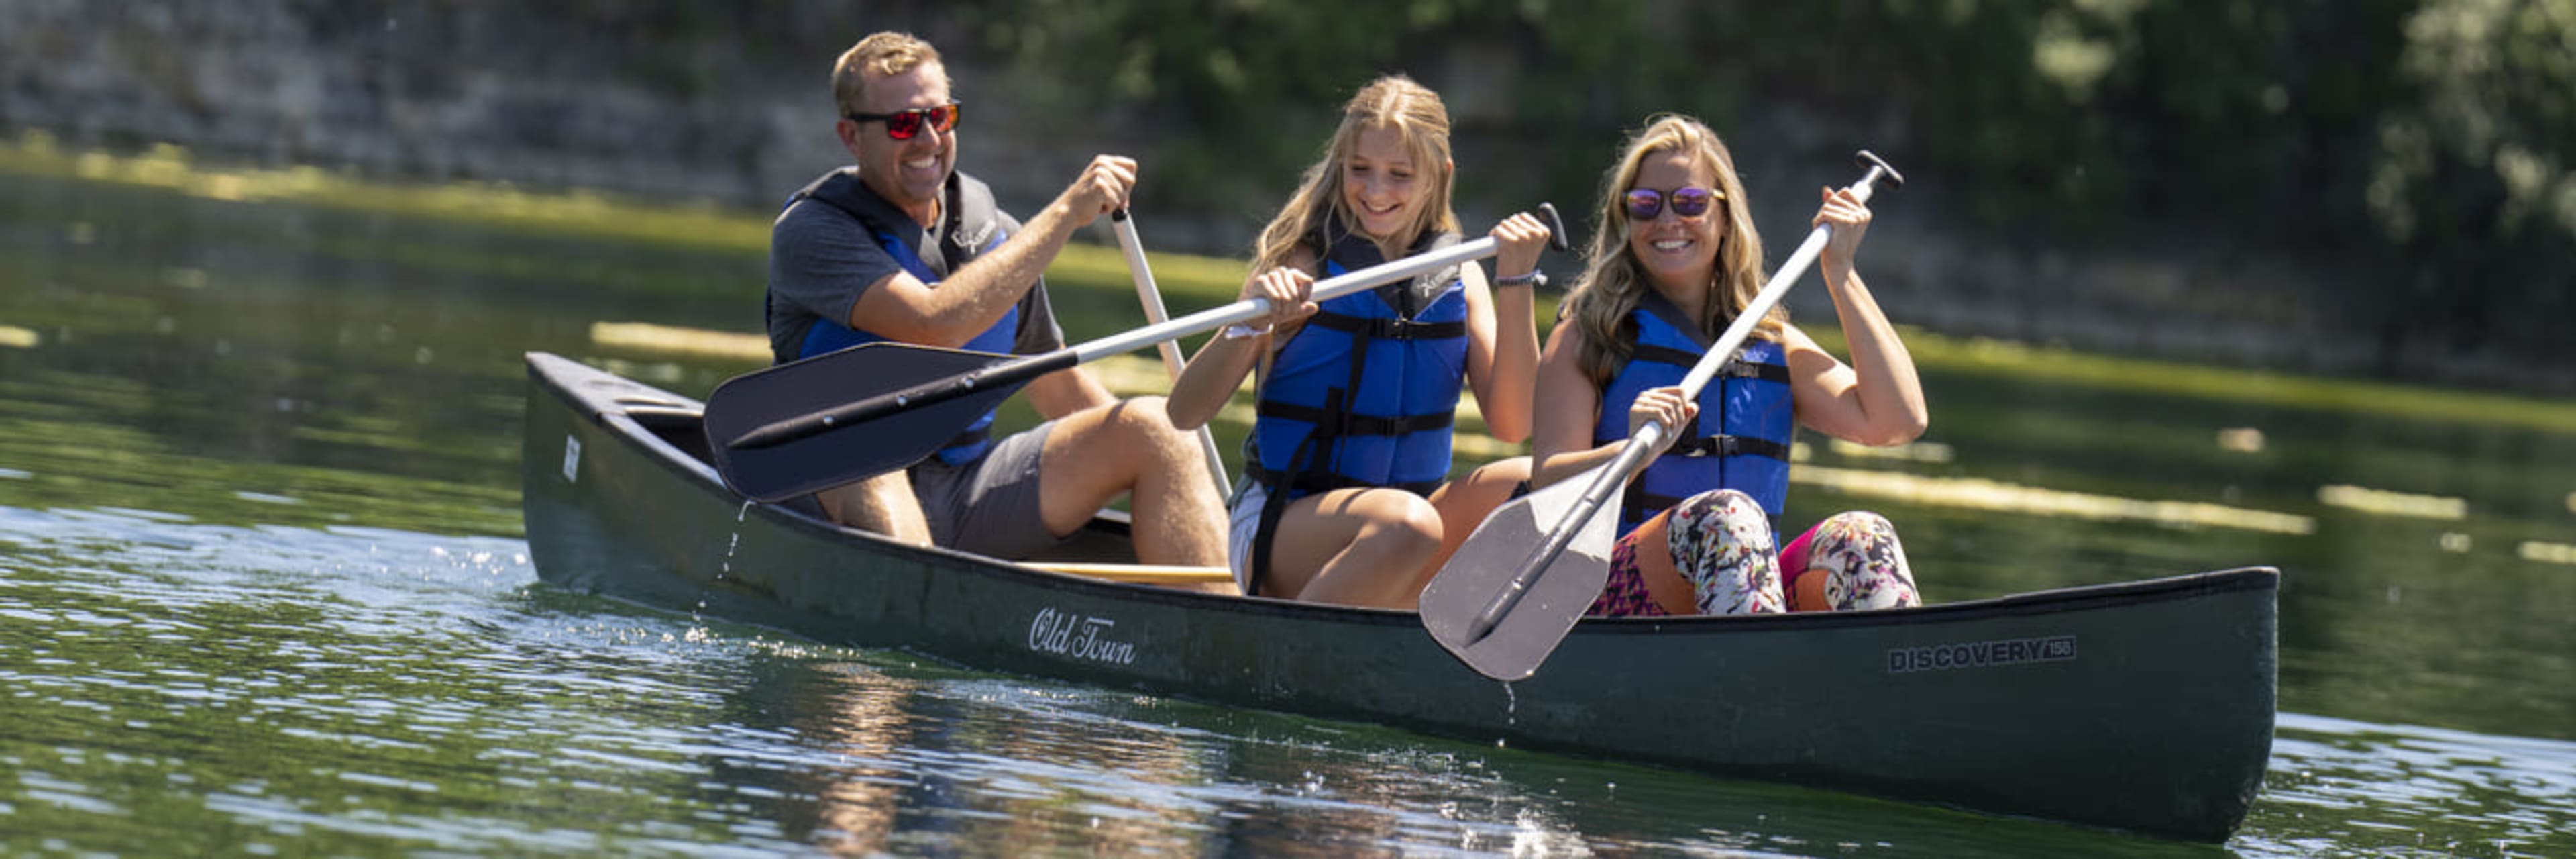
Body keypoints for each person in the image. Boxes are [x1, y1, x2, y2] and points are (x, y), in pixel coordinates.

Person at [765, 31, 1229, 578]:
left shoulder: (995, 239)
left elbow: (1058, 386)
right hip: (843, 486)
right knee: (868, 445)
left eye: (942, 117)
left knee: (1156, 427)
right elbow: (932, 324)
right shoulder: (813, 232)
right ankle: (908, 637)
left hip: (967, 490)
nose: (928, 139)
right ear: (851, 138)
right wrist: (1066, 214)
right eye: (903, 124)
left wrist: (1171, 469)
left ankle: (1226, 637)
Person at [1165, 75, 1552, 609]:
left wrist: (1516, 281)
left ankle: (1471, 642)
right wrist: (1253, 319)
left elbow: (1513, 425)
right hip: (1283, 525)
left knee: (1547, 483)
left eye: (1399, 175)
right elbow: (1185, 413)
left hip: (1406, 529)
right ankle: (1285, 653)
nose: (1375, 191)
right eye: (1360, 170)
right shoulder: (1302, 265)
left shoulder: (1463, 277)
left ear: (1439, 177)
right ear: (1341, 167)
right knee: (1408, 524)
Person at [1531, 115, 1929, 617]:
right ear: (1626, 220)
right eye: (1646, 205)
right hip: (1613, 595)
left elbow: (1897, 422)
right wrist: (1630, 451)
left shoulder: (1771, 343)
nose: (1668, 221)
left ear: (1724, 218)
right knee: (1727, 516)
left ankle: (1889, 681)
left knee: (1864, 536)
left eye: (1691, 203)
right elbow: (1548, 485)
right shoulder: (1588, 336)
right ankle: (1749, 676)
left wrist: (1841, 273)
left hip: (1744, 598)